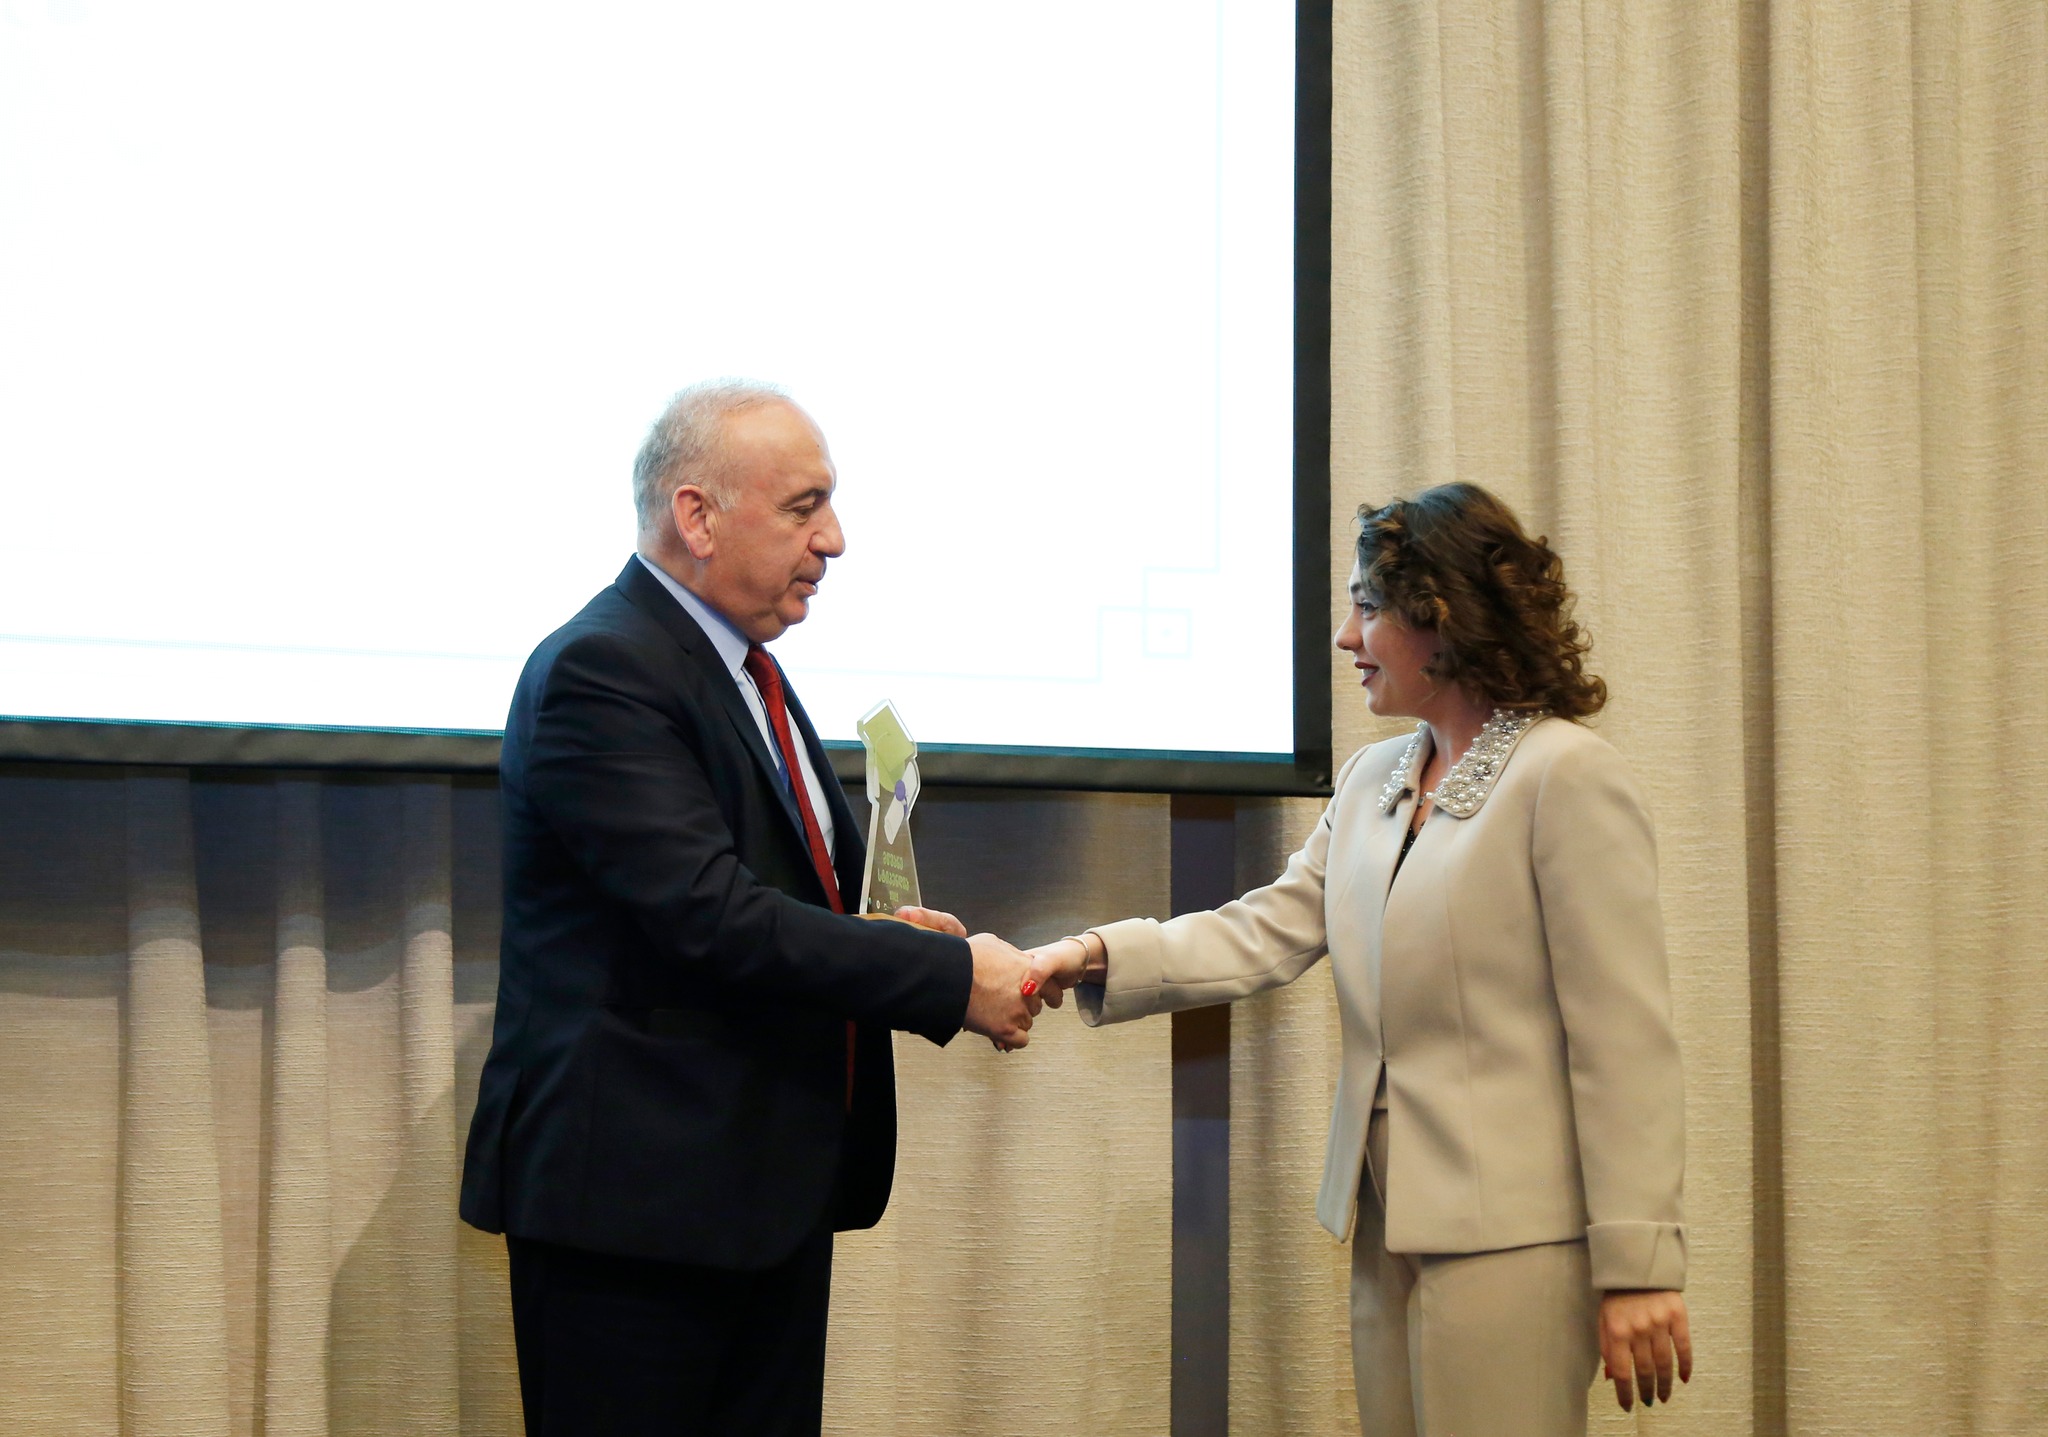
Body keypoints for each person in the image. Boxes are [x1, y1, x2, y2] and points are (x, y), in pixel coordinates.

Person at [1013, 482, 1691, 1437]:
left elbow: (1624, 1042)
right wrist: (1086, 954)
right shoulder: (1376, 778)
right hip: (1386, 1222)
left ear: (1440, 617)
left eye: (1367, 607)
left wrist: (1639, 1264)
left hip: (1520, 1238)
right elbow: (1264, 928)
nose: (1345, 637)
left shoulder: (1566, 775)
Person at [458, 380, 1042, 1437]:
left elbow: (771, 898)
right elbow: (711, 918)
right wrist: (949, 982)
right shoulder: (604, 668)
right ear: (697, 515)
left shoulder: (740, 668)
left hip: (757, 1204)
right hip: (635, 1222)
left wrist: (880, 936)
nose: (835, 539)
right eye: (804, 507)